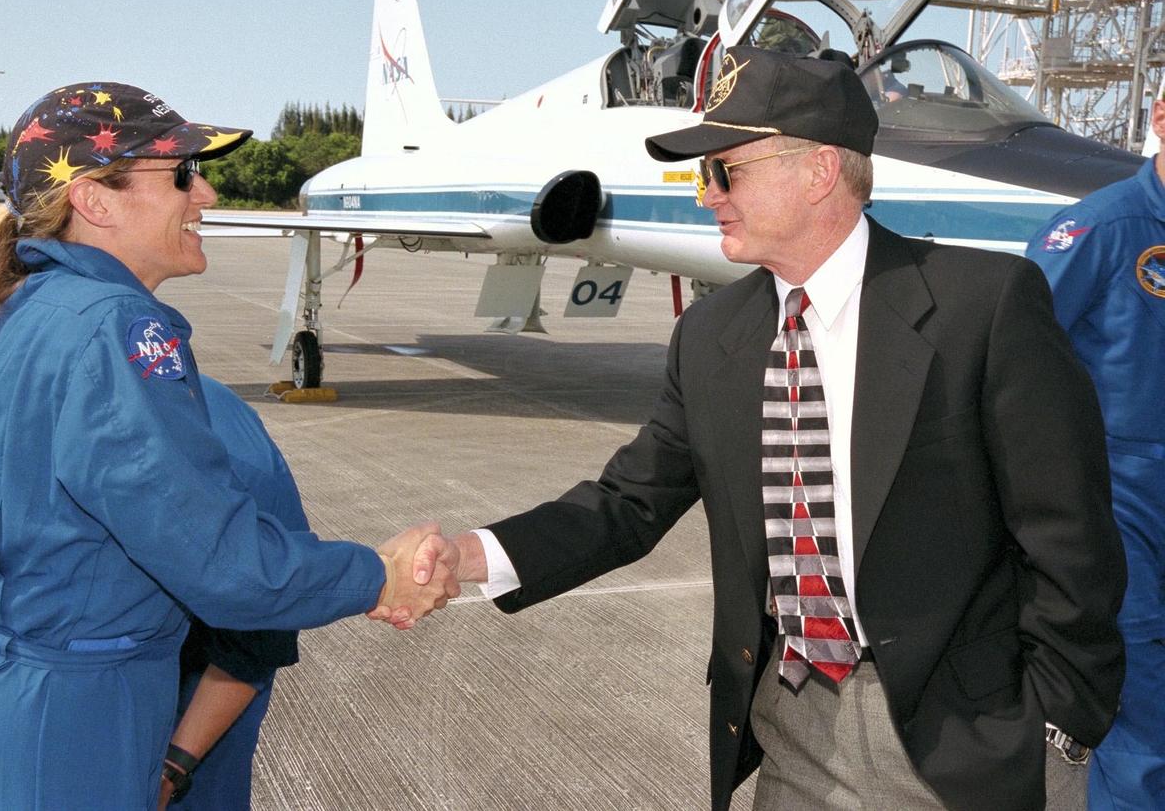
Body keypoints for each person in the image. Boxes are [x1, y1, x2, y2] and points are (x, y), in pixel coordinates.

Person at [404, 46, 1127, 810]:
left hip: (968, 735)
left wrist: (1055, 723)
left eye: (725, 170)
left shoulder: (981, 306)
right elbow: (627, 503)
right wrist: (471, 556)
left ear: (818, 172)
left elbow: (1070, 534)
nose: (704, 194)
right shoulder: (714, 335)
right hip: (791, 724)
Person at [0, 82, 457, 809]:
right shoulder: (117, 329)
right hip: (64, 734)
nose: (208, 191)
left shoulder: (8, 322)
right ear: (95, 200)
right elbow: (222, 560)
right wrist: (379, 575)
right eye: (183, 173)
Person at [0, 340, 329, 809]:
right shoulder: (8, 419)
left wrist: (173, 769)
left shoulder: (234, 467)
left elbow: (256, 641)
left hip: (202, 685)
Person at [1025, 89, 1165, 809]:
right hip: (1126, 514)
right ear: (1161, 119)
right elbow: (1013, 353)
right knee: (1142, 723)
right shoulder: (1104, 228)